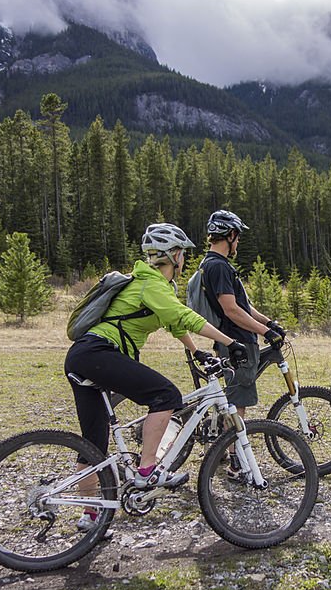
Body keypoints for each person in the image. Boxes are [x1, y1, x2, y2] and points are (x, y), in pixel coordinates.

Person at [65, 222, 247, 531]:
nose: (184, 260)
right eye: (183, 254)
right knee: (167, 396)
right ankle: (147, 469)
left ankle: (91, 516)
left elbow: (174, 325)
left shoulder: (149, 283)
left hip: (82, 358)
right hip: (99, 353)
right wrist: (230, 342)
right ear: (174, 255)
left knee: (93, 445)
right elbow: (183, 316)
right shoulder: (151, 283)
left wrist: (196, 351)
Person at [187, 210, 285, 423]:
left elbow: (244, 307)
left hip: (231, 337)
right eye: (238, 236)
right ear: (230, 235)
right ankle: (234, 453)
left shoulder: (211, 264)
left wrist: (269, 323)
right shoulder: (219, 267)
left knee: (233, 397)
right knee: (237, 401)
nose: (239, 241)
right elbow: (231, 310)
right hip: (236, 339)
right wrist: (265, 332)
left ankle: (225, 449)